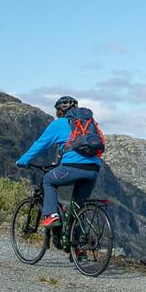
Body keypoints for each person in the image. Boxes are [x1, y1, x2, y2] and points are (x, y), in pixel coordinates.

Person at [16, 96, 103, 242]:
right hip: (93, 168)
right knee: (78, 207)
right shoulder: (89, 124)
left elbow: (40, 145)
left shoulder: (59, 124)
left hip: (73, 167)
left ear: (59, 111)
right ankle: (79, 247)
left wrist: (23, 161)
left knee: (49, 180)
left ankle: (51, 215)